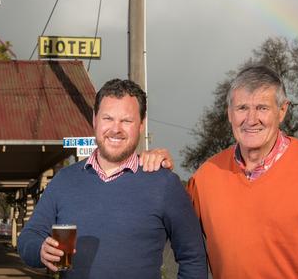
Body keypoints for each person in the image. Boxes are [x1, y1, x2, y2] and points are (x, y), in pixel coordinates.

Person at [17, 78, 207, 279]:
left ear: (141, 125)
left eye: (126, 120)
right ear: (94, 120)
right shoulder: (64, 181)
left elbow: (193, 258)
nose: (116, 129)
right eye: (108, 118)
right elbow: (29, 238)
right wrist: (40, 250)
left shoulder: (164, 184)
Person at [184, 65, 298, 278]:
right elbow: (171, 232)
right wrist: (156, 168)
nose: (251, 119)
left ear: (282, 111)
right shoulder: (205, 177)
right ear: (229, 113)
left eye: (262, 108)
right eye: (242, 108)